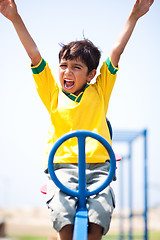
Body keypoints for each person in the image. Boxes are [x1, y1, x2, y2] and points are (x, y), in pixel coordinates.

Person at [0, 0, 154, 239]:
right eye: (63, 66)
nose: (67, 72)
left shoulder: (100, 90)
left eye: (76, 67)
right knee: (64, 218)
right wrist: (14, 18)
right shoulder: (53, 93)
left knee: (99, 218)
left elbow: (116, 51)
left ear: (91, 74)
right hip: (62, 167)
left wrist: (133, 16)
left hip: (99, 168)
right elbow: (34, 54)